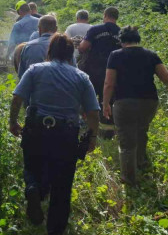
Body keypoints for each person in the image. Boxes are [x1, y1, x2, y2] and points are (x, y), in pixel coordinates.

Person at [9, 34, 100, 234]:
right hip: (66, 135)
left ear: (49, 52)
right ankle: (55, 230)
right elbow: (93, 112)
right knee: (62, 186)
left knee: (32, 168)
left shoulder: (35, 70)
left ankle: (34, 189)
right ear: (71, 54)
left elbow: (17, 98)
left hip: (36, 129)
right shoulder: (81, 77)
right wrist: (92, 137)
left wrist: (13, 121)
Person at [103, 26, 168, 185]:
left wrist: (105, 103)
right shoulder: (150, 55)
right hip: (149, 102)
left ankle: (129, 179)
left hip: (124, 102)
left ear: (121, 41)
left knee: (126, 140)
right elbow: (166, 76)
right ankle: (142, 164)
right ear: (138, 39)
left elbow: (109, 83)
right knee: (141, 131)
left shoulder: (115, 55)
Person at [78, 6, 121, 139]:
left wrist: (79, 46)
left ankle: (86, 127)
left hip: (93, 71)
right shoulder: (121, 32)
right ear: (116, 17)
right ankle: (107, 133)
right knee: (107, 101)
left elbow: (83, 47)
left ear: (105, 15)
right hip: (113, 73)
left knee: (88, 98)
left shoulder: (95, 29)